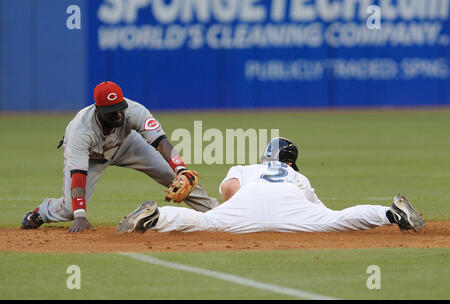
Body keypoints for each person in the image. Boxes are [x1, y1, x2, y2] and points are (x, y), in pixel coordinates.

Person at [22, 81, 219, 233]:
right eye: (111, 111)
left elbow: (161, 141)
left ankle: (216, 213)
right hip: (92, 158)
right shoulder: (80, 131)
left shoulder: (134, 110)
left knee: (179, 179)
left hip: (127, 144)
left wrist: (180, 168)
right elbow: (78, 176)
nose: (118, 114)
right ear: (98, 110)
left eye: (119, 107)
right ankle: (43, 212)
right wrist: (80, 214)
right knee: (69, 210)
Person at [117, 137, 425, 234]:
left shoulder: (250, 168)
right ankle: (390, 214)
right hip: (292, 209)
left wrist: (238, 211)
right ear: (290, 162)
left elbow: (227, 191)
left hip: (243, 208)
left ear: (266, 157)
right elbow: (321, 212)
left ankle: (155, 216)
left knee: (205, 221)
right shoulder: (297, 176)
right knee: (335, 220)